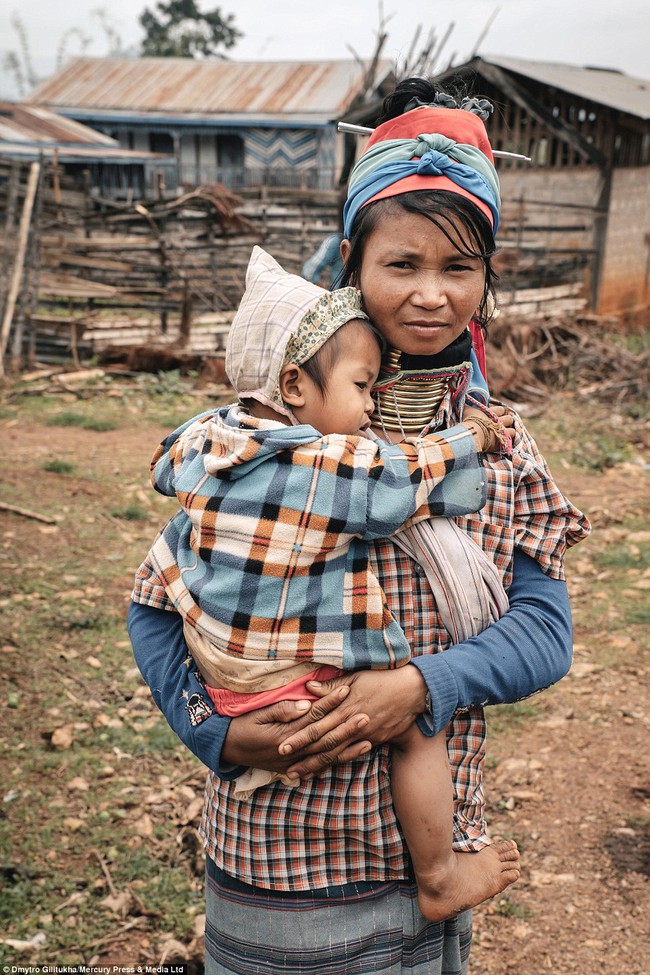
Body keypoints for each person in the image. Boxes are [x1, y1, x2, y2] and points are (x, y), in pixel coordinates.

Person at [128, 77, 591, 975]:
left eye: (459, 268)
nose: (430, 295)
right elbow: (153, 602)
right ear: (352, 261)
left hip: (430, 859)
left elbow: (546, 632)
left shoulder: (497, 449)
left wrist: (417, 686)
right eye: (401, 265)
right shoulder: (273, 432)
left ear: (488, 281)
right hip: (278, 858)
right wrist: (212, 729)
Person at [140, 243, 519, 922]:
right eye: (361, 387)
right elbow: (399, 479)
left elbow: (163, 467)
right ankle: (440, 874)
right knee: (417, 728)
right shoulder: (323, 466)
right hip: (297, 685)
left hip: (228, 689)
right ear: (293, 387)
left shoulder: (207, 444)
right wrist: (475, 441)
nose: (371, 407)